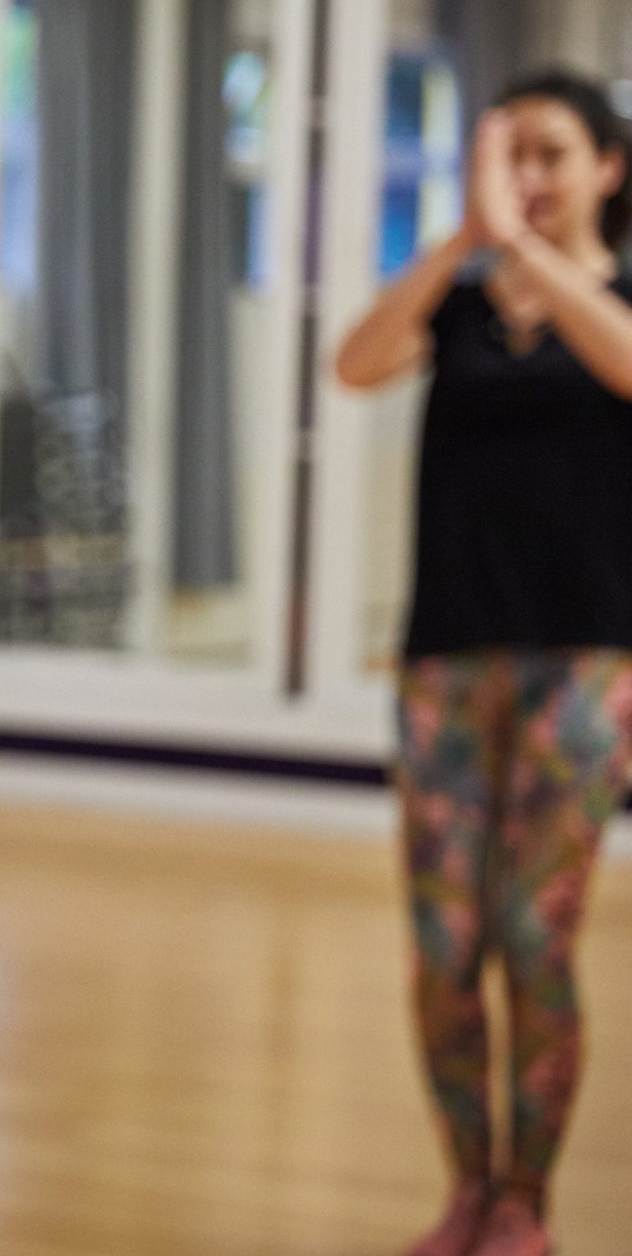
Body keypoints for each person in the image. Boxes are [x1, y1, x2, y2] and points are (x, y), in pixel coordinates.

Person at [335, 70, 632, 1256]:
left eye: (551, 153)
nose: (530, 178)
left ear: (608, 167)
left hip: (586, 664)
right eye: (507, 155)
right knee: (446, 948)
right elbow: (353, 364)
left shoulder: (607, 300)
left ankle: (529, 1202)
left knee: (532, 932)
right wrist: (464, 243)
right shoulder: (459, 307)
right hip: (447, 662)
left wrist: (528, 251)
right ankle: (468, 1188)